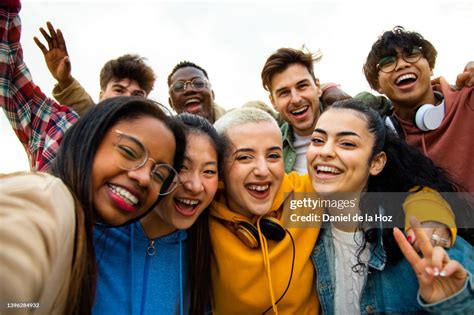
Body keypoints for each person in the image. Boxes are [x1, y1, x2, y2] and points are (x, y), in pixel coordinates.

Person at [209, 107, 454, 314]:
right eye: (244, 158)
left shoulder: (303, 197)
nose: (262, 170)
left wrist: (432, 217)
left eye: (273, 155)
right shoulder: (201, 219)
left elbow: (404, 190)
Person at [0, 95, 185, 314]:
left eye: (159, 174)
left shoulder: (84, 233)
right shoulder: (48, 197)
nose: (144, 178)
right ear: (89, 137)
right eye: (129, 152)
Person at [307, 99, 473, 314]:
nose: (325, 151)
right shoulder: (307, 232)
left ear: (376, 163)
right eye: (318, 140)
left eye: (347, 143)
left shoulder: (424, 236)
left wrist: (454, 304)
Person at [93, 113, 224, 315]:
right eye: (181, 167)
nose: (195, 186)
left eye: (208, 171)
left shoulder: (212, 249)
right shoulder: (92, 232)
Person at [363, 26, 474, 193]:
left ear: (430, 67)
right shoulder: (383, 138)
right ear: (377, 85)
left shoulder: (469, 100)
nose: (401, 65)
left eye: (412, 54)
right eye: (387, 62)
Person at [261, 47, 351, 174]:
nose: (296, 99)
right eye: (284, 92)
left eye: (302, 86)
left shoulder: (354, 124)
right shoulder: (271, 148)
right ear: (273, 102)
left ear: (318, 87)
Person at [34, 21, 156, 115]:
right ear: (101, 96)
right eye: (119, 90)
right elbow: (86, 109)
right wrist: (65, 80)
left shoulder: (160, 138)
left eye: (137, 95)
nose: (127, 98)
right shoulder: (87, 130)